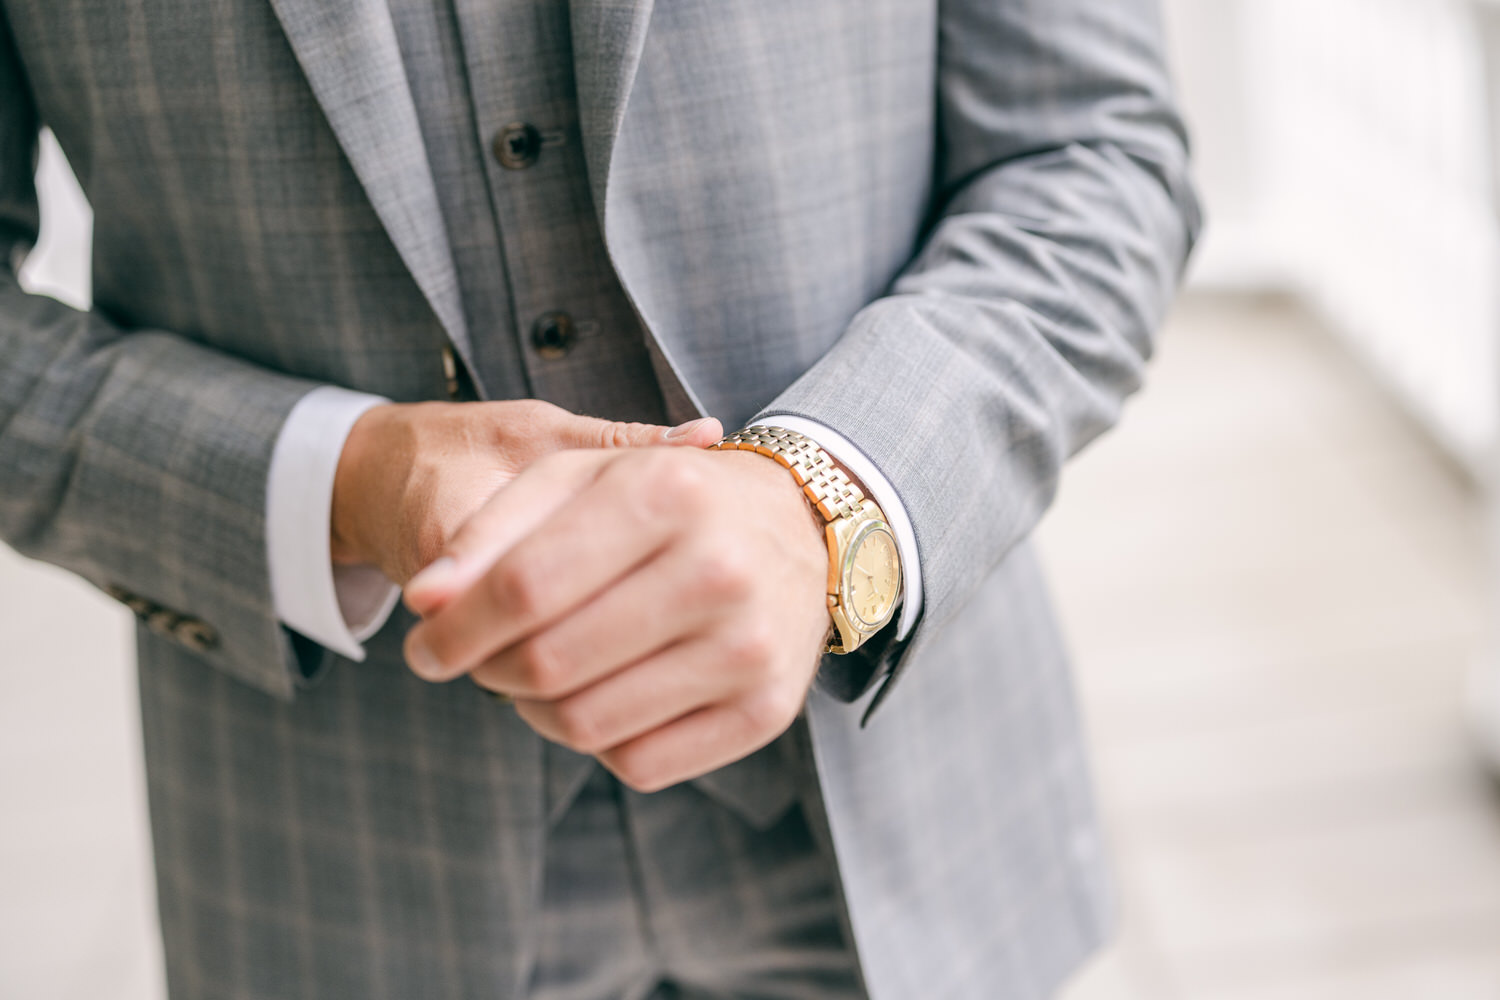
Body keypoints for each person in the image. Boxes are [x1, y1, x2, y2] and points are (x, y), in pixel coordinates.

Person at [0, 0, 1200, 997]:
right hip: (339, 865)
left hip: (910, 820)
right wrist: (343, 478)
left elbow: (1092, 152)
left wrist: (821, 505)